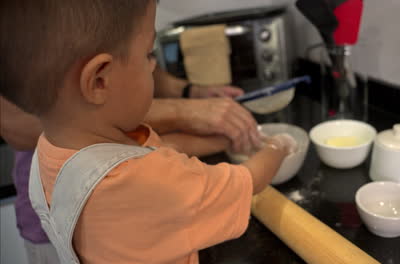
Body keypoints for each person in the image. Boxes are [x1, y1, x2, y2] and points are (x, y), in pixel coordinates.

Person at [0, 1, 296, 263]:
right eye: (148, 54)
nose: (153, 64)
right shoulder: (150, 182)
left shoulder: (50, 151)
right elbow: (246, 181)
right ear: (99, 81)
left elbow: (157, 150)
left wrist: (221, 138)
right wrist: (279, 146)